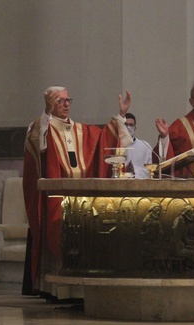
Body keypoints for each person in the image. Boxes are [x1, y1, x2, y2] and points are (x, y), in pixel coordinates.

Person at [22, 85, 133, 298]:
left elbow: (105, 139)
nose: (65, 105)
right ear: (49, 103)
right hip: (55, 196)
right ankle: (57, 290)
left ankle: (79, 290)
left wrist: (121, 115)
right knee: (57, 237)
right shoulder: (41, 126)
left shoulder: (82, 130)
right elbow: (38, 144)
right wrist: (45, 112)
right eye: (59, 101)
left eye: (67, 100)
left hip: (82, 197)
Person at [124, 113, 153, 178]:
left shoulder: (145, 146)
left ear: (135, 128)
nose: (128, 127)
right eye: (125, 125)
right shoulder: (117, 145)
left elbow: (150, 171)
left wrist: (135, 171)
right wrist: (124, 170)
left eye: (131, 125)